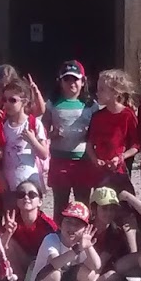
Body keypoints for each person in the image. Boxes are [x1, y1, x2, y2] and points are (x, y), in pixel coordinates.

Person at [26, 200, 100, 281]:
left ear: (85, 229)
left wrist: (88, 247)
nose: (72, 228)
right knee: (54, 272)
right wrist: (77, 249)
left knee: (89, 273)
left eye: (77, 225)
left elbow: (96, 265)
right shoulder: (51, 239)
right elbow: (55, 263)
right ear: (61, 224)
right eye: (68, 222)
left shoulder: (82, 244)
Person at [44, 60, 95, 215]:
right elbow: (42, 130)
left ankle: (84, 230)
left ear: (83, 81)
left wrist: (90, 134)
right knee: (60, 204)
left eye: (75, 79)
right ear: (60, 81)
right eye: (67, 79)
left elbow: (99, 131)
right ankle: (59, 230)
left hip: (83, 160)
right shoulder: (52, 103)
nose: (71, 83)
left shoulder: (91, 105)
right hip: (59, 160)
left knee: (83, 203)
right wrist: (52, 135)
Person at [84, 68, 139, 193]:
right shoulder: (97, 116)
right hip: (100, 172)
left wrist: (121, 157)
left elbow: (136, 145)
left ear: (115, 92)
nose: (97, 93)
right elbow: (89, 143)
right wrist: (94, 159)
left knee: (123, 201)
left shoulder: (128, 115)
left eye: (102, 89)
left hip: (120, 171)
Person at [0, 81, 50, 203]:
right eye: (4, 99)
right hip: (9, 184)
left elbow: (44, 154)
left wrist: (32, 140)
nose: (7, 103)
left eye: (12, 100)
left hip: (30, 184)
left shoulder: (34, 124)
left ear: (24, 102)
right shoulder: (3, 125)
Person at [87, 185, 139, 281]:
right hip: (86, 272)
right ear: (94, 209)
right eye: (105, 208)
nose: (109, 213)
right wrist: (87, 280)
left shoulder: (115, 232)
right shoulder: (86, 228)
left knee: (112, 276)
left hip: (103, 271)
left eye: (112, 209)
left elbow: (101, 263)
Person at [1, 179, 57, 281]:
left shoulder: (47, 224)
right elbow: (0, 250)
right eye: (21, 195)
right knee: (8, 243)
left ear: (40, 201)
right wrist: (8, 233)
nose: (26, 197)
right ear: (17, 200)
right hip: (23, 262)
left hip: (41, 263)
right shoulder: (13, 221)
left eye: (32, 195)